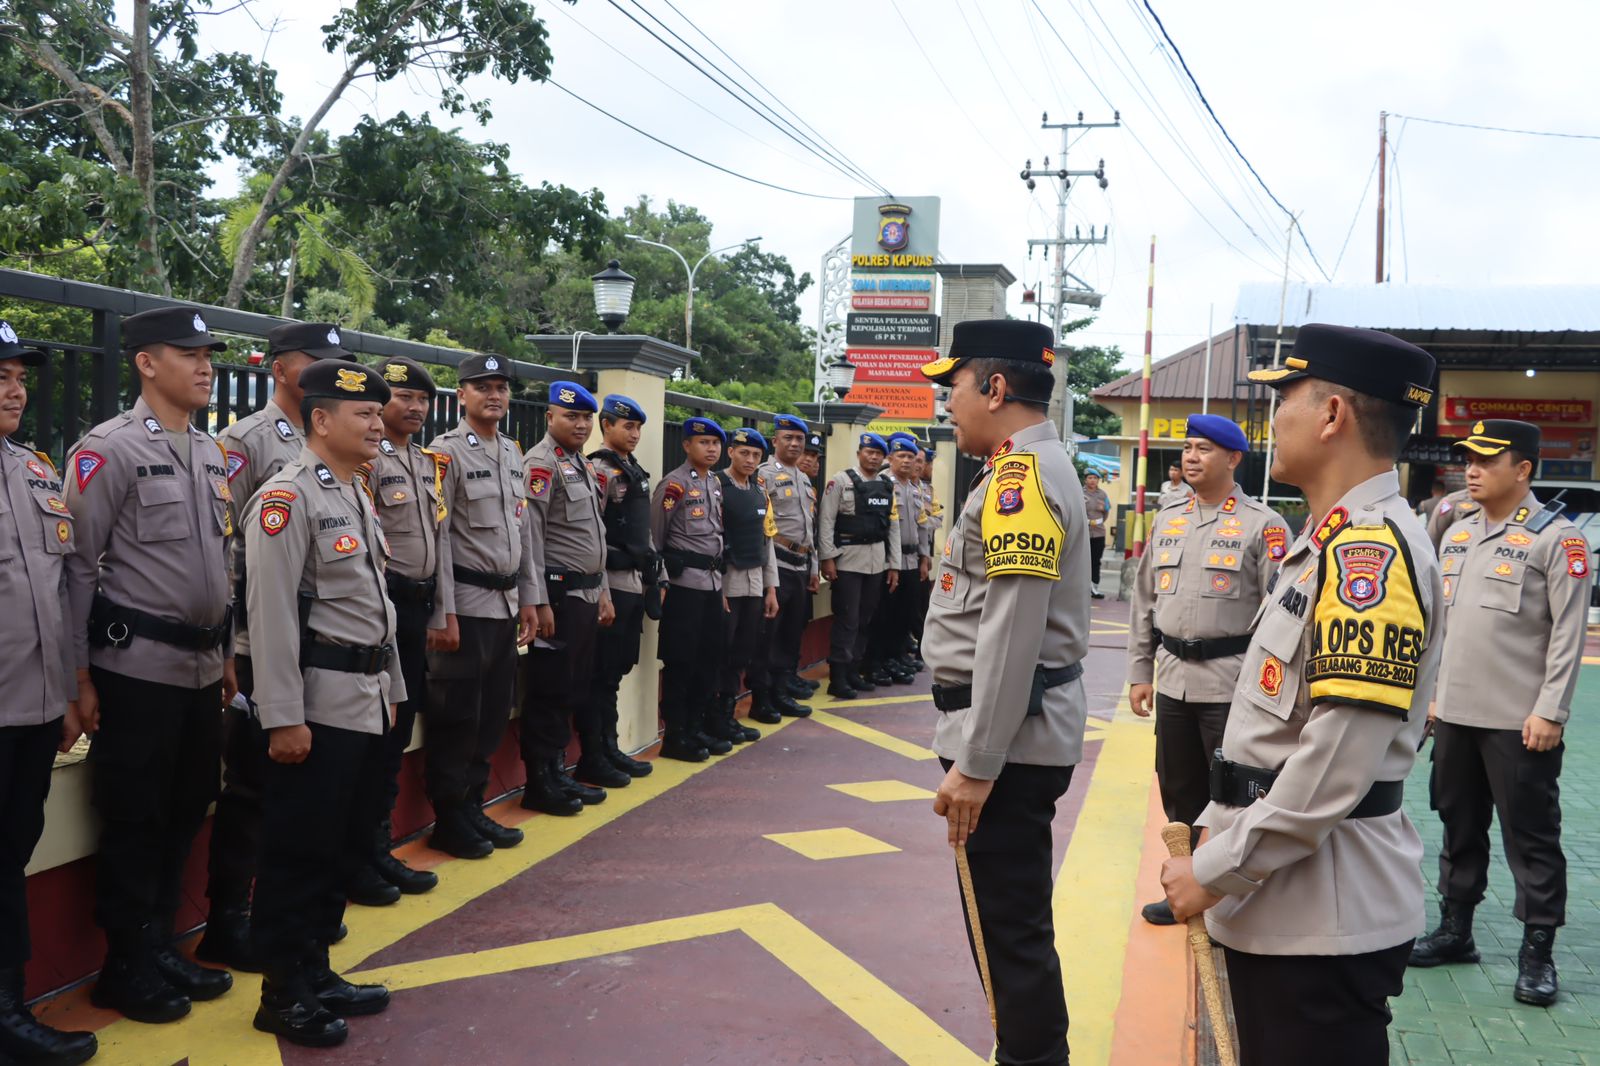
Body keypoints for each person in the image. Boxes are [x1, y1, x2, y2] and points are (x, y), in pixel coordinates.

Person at [1160, 323, 1444, 1065]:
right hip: (1281, 897)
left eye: (1283, 397)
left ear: (1332, 415)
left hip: (1318, 915)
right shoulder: (1326, 540)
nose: (1271, 418)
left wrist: (1215, 871)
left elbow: (1332, 768)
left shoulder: (1368, 554)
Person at [920, 319, 1089, 1066]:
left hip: (1008, 746)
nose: (944, 404)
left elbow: (1014, 627)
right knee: (1008, 926)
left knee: (1008, 932)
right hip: (1012, 737)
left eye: (952, 386)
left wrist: (978, 763)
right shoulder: (1023, 468)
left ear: (994, 387)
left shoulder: (1022, 476)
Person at [65, 306, 237, 1022]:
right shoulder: (109, 449)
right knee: (135, 818)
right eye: (187, 353)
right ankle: (124, 963)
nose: (205, 366)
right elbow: (74, 566)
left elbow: (222, 563)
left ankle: (161, 942)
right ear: (144, 362)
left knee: (185, 806)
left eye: (208, 355)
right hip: (135, 671)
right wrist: (76, 676)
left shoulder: (209, 451)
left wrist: (227, 654)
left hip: (200, 672)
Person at [243, 360, 400, 1046]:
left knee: (338, 846)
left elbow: (377, 604)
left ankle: (316, 970)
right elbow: (270, 615)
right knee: (297, 851)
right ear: (322, 420)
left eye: (377, 414)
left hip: (364, 698)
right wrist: (283, 716)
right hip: (316, 704)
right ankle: (282, 991)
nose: (376, 425)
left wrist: (392, 687)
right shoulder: (288, 496)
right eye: (362, 414)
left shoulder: (353, 491)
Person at [202, 322, 365, 964]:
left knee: (307, 802)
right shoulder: (244, 441)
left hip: (320, 647)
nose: (330, 372)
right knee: (251, 791)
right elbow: (226, 548)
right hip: (258, 641)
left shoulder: (343, 444)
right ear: (280, 369)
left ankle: (292, 921)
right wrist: (230, 648)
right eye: (317, 362)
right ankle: (230, 917)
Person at [1409, 420, 1587, 1007]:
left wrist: (1551, 711)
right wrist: (1431, 698)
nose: (1472, 469)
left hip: (1520, 721)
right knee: (1458, 826)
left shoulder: (1556, 540)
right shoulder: (1456, 534)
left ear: (1525, 470)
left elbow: (1567, 635)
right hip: (1456, 714)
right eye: (1468, 459)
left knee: (1531, 836)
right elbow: (1441, 628)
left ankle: (1538, 952)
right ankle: (1456, 930)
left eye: (1487, 459)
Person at [1125, 414, 1288, 926]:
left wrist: (1268, 690)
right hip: (1173, 679)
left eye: (1205, 449)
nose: (1191, 457)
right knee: (1178, 789)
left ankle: (1224, 894)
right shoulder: (1169, 517)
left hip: (1231, 683)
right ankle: (1182, 885)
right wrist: (1139, 671)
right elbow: (1143, 599)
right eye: (1188, 447)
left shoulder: (1264, 524)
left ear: (1234, 459)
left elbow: (1283, 613)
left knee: (1231, 793)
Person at [0, 323, 99, 1065]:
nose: (13, 386)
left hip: (31, 710)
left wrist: (68, 690)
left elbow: (62, 592)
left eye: (18, 375)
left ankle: (7, 1005)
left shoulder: (33, 470)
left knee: (10, 856)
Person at [423, 354, 538, 858]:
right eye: (482, 387)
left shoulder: (512, 453)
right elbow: (438, 538)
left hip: (506, 604)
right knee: (456, 717)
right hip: (465, 607)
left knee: (492, 712)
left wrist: (531, 598)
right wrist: (442, 611)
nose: (494, 395)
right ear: (461, 395)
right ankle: (449, 817)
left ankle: (472, 805)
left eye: (501, 387)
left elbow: (523, 531)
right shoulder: (443, 454)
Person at [353, 356, 450, 900]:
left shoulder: (425, 461)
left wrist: (442, 611)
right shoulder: (368, 462)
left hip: (416, 611)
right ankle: (359, 857)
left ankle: (377, 849)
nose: (414, 407)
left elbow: (440, 542)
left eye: (422, 399)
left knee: (394, 738)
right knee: (373, 739)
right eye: (402, 396)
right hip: (380, 612)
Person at [519, 381, 616, 814]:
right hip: (557, 595)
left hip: (586, 592)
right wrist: (537, 600)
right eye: (571, 416)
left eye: (585, 418)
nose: (580, 425)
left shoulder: (583, 465)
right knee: (550, 688)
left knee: (573, 686)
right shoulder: (540, 464)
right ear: (550, 418)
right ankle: (540, 782)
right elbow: (531, 535)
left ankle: (558, 772)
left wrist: (604, 592)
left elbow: (596, 535)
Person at [652, 418, 735, 761]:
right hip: (683, 586)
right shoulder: (673, 485)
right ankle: (676, 734)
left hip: (712, 584)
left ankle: (696, 726)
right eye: (704, 443)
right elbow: (656, 538)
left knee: (708, 659)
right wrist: (659, 583)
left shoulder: (715, 482)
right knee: (681, 662)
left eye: (716, 443)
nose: (711, 449)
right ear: (687, 445)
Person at [586, 394, 658, 780]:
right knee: (601, 674)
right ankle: (594, 756)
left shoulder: (632, 469)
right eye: (627, 426)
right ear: (607, 425)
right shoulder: (600, 469)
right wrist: (601, 591)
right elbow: (593, 532)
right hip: (609, 581)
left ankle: (610, 748)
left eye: (637, 427)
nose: (634, 434)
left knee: (614, 671)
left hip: (632, 580)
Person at [818, 432, 901, 699]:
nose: (874, 457)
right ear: (859, 453)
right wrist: (827, 558)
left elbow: (892, 528)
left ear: (884, 457)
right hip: (848, 560)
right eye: (869, 452)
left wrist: (894, 565)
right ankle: (838, 676)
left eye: (878, 453)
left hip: (876, 561)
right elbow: (826, 521)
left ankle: (854, 670)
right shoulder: (840, 481)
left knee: (865, 619)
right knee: (848, 619)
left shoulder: (887, 486)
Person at [748, 414, 817, 718]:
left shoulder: (803, 478)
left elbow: (809, 527)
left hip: (801, 565)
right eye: (787, 438)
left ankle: (782, 688)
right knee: (768, 636)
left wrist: (813, 567)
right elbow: (762, 527)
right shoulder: (764, 475)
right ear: (774, 441)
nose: (794, 443)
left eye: (799, 439)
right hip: (778, 564)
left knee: (791, 633)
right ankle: (763, 698)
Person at [711, 427, 778, 735]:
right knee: (720, 652)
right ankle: (714, 717)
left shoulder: (759, 490)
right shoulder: (717, 485)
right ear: (731, 452)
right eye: (744, 453)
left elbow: (768, 542)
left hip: (754, 582)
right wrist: (719, 589)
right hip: (727, 581)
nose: (750, 460)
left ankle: (728, 714)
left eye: (756, 455)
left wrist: (771, 588)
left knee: (742, 651)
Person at [865, 433, 927, 685]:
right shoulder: (883, 484)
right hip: (892, 560)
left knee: (905, 613)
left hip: (912, 560)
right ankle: (882, 661)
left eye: (911, 457)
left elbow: (922, 525)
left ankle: (898, 656)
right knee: (885, 615)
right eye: (901, 456)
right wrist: (892, 562)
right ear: (890, 458)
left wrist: (925, 556)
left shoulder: (913, 489)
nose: (906, 461)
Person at [911, 445, 944, 667]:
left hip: (921, 552)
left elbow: (935, 519)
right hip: (903, 555)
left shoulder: (926, 489)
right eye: (924, 462)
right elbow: (921, 522)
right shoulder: (892, 483)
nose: (926, 467)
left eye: (926, 462)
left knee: (919, 603)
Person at [1082, 472, 1112, 599]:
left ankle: (1094, 588)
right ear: (1085, 480)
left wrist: (1097, 523)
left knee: (1096, 561)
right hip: (1084, 532)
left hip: (1099, 532)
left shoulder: (1102, 494)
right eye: (1090, 478)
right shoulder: (1080, 493)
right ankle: (1082, 588)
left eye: (1095, 478)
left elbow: (1106, 512)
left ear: (1098, 480)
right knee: (1082, 561)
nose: (1092, 480)